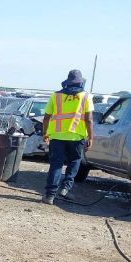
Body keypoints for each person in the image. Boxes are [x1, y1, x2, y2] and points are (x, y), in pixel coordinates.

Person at [41, 69, 94, 205]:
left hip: (57, 136)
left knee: (56, 165)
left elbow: (46, 117)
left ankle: (49, 196)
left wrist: (45, 133)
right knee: (75, 162)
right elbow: (89, 119)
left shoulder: (55, 96)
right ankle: (65, 188)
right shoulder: (86, 96)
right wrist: (91, 137)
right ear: (81, 82)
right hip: (77, 137)